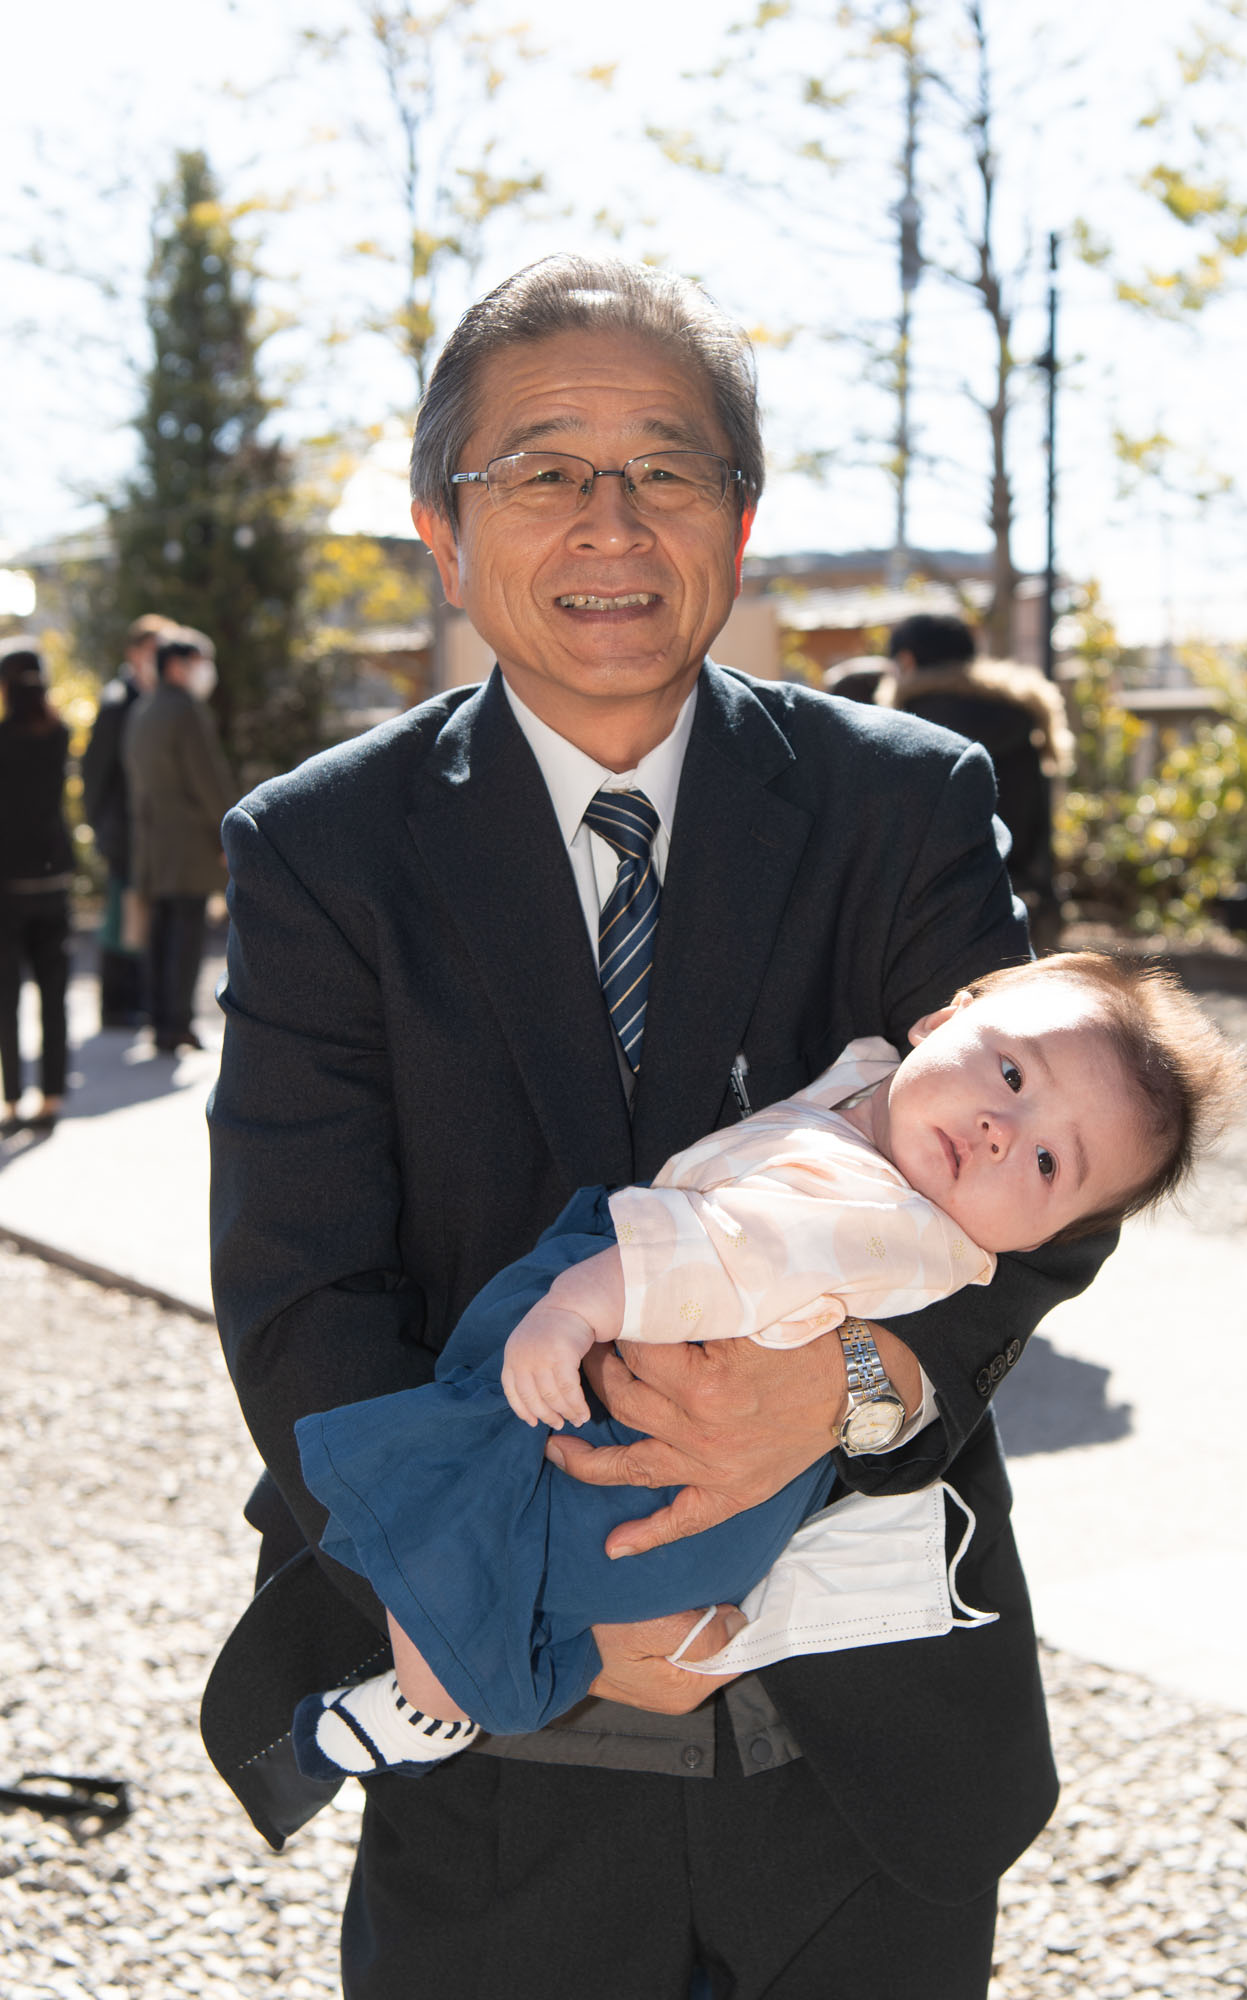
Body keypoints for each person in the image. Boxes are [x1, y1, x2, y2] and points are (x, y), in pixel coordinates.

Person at [205, 253, 1118, 2000]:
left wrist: (854, 1383)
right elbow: (301, 1286)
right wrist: (486, 1584)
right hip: (493, 1748)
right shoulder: (323, 849)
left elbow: (1056, 1181)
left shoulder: (903, 802)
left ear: (741, 514)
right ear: (442, 530)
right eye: (542, 471)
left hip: (860, 1757)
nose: (608, 524)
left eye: (665, 469)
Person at [288, 950, 1247, 1779]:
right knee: (484, 1533)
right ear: (941, 1015)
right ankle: (458, 1683)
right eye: (1008, 1073)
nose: (1006, 1130)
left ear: (1047, 1233)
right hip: (694, 1451)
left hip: (649, 1404)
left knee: (447, 1510)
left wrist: (573, 1306)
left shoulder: (869, 1217)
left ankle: (435, 1701)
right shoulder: (872, 1097)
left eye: (1047, 1165)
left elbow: (721, 1251)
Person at [888, 613, 1075, 953]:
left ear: (907, 660)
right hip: (1015, 900)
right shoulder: (1020, 713)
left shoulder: (904, 722)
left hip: (930, 915)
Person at [122, 630, 234, 1056]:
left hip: (152, 843)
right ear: (176, 666)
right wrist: (229, 829)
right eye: (197, 661)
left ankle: (161, 1022)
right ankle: (180, 1024)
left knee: (161, 935)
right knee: (185, 937)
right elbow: (208, 778)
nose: (204, 672)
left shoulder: (144, 709)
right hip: (187, 843)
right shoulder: (184, 710)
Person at [81, 612, 174, 1027]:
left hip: (148, 830)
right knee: (121, 916)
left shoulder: (154, 698)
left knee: (141, 916)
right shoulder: (118, 700)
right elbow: (95, 771)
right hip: (122, 829)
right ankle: (115, 1005)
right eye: (151, 649)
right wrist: (101, 827)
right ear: (133, 653)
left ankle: (137, 1001)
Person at [0, 650, 74, 1135]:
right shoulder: (60, 735)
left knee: (7, 995)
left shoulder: (2, 740)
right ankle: (51, 1097)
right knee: (54, 993)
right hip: (55, 875)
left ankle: (11, 1100)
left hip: (8, 880)